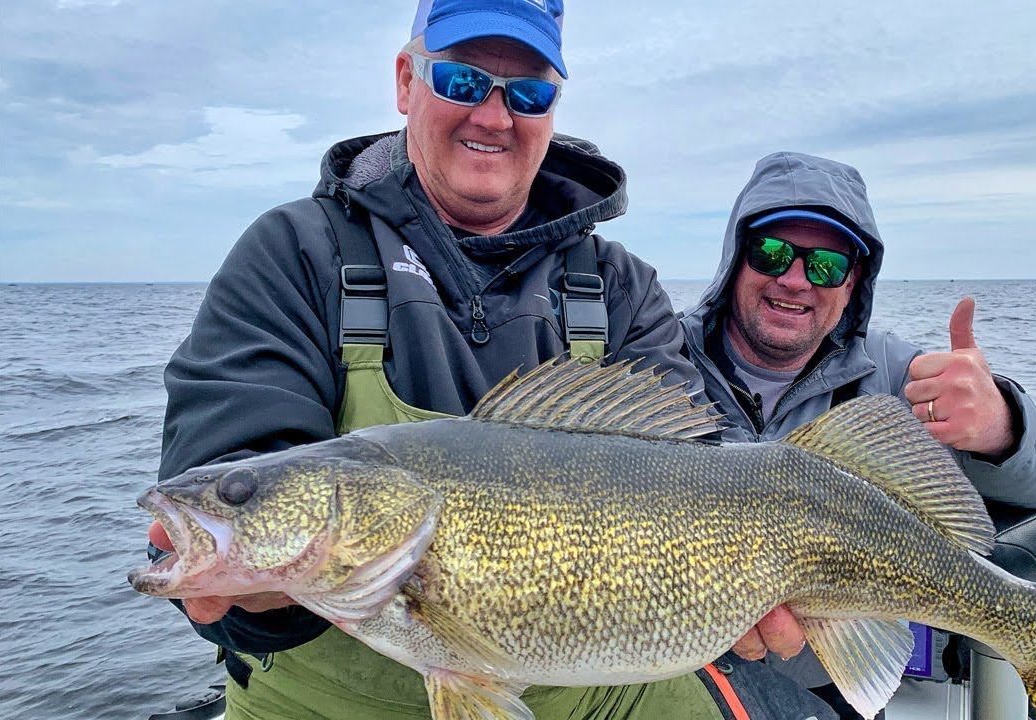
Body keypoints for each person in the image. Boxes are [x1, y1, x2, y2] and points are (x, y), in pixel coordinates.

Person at [145, 2, 839, 719]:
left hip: (603, 690)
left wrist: (740, 593)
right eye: (462, 81)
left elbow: (692, 469)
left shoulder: (622, 288)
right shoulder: (295, 254)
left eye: (528, 93)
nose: (493, 116)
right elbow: (234, 477)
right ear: (406, 83)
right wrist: (254, 586)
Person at [679, 151, 1036, 717]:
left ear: (854, 281)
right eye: (771, 253)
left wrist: (1003, 428)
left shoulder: (900, 378)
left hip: (829, 686)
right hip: (679, 676)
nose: (794, 280)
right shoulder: (660, 357)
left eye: (825, 266)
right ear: (735, 259)